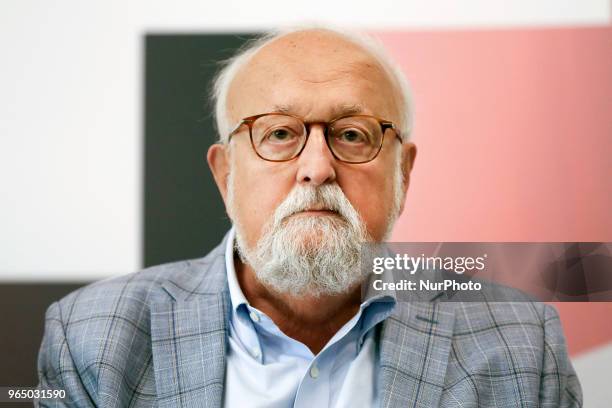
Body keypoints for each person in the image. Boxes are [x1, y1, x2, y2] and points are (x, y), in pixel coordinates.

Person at [36, 27, 582, 407]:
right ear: (225, 174)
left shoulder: (520, 345)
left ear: (404, 174)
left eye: (351, 134)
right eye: (278, 133)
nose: (317, 168)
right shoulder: (93, 339)